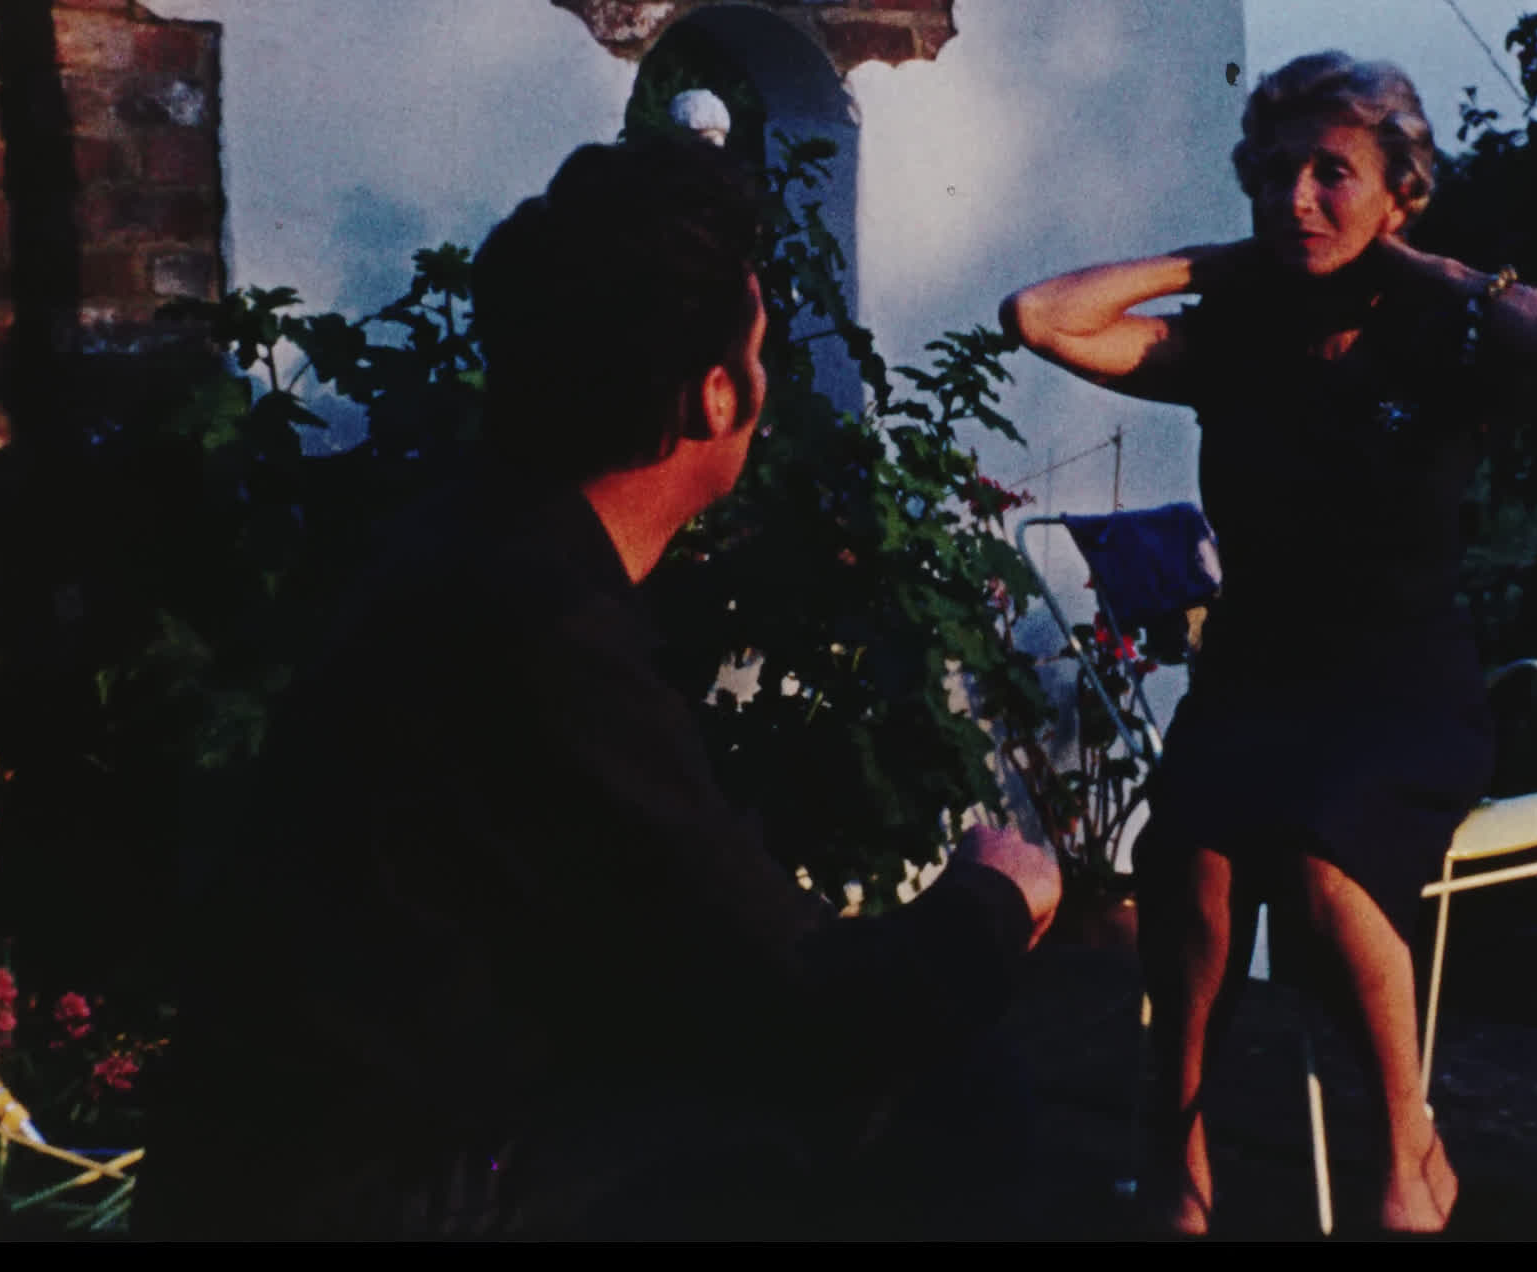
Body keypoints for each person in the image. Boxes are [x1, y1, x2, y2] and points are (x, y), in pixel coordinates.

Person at [140, 134, 1060, 1240]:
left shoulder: (481, 544)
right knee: (949, 1089)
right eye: (761, 350)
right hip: (378, 1192)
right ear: (715, 397)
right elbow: (805, 1007)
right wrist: (994, 899)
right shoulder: (539, 622)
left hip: (344, 1152)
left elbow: (684, 930)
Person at [998, 51, 1537, 1235]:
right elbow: (1040, 318)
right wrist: (1222, 264)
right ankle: (1174, 1161)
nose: (1295, 197)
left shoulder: (1446, 343)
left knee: (1329, 862)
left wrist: (1416, 266)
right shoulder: (1234, 342)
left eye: (1333, 173)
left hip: (1403, 685)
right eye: (1274, 173)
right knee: (1191, 867)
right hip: (1254, 678)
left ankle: (1406, 1152)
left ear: (1398, 190)